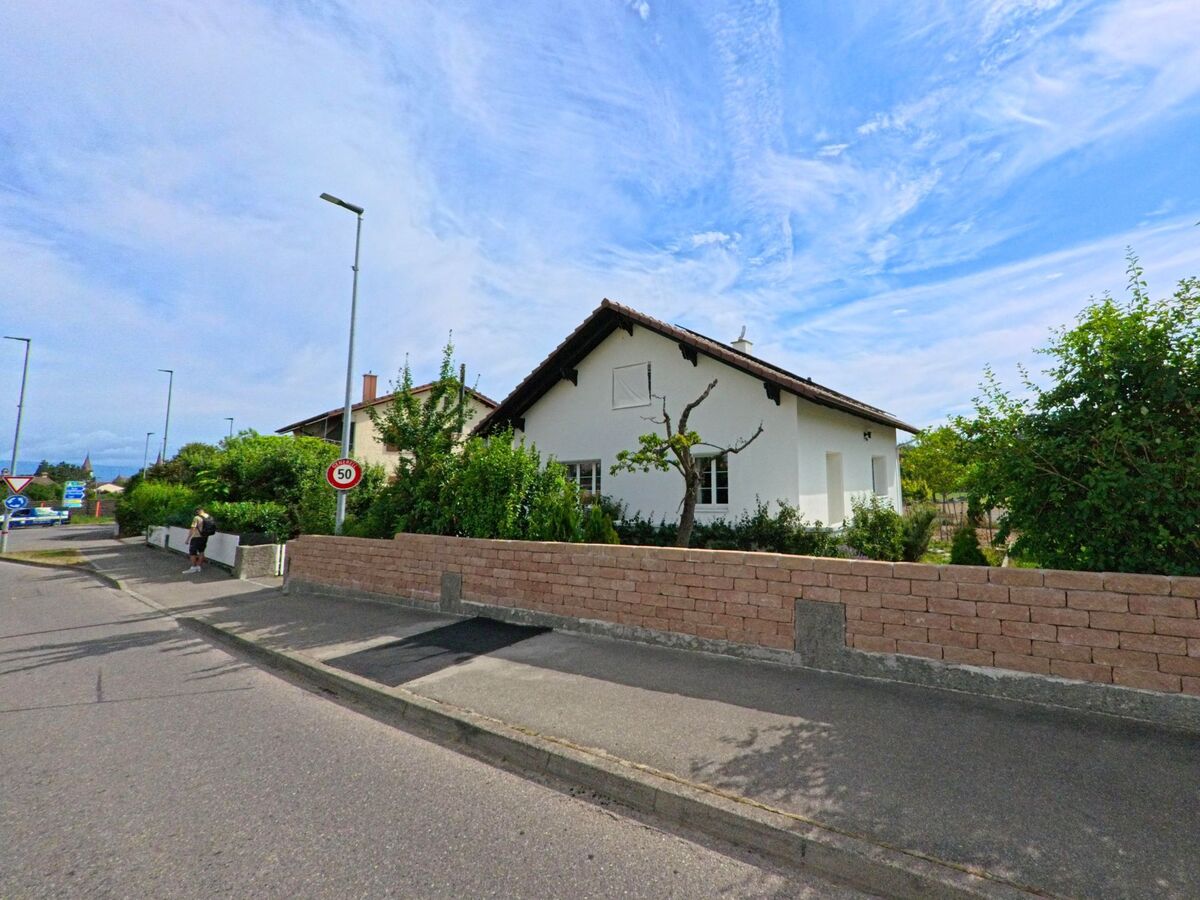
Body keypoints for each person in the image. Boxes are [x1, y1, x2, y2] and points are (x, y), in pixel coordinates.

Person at [184, 506, 213, 574]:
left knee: (192, 552)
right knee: (201, 551)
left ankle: (193, 567)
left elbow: (193, 529)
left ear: (198, 511)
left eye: (196, 511)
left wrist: (188, 539)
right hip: (205, 537)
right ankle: (199, 566)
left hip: (196, 537)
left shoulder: (196, 518)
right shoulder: (208, 517)